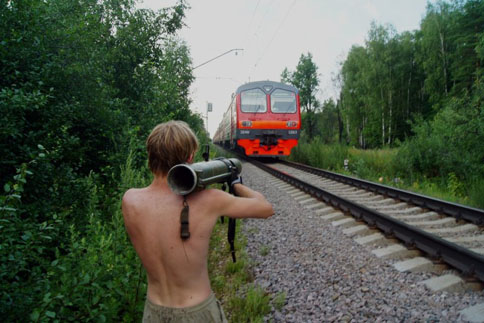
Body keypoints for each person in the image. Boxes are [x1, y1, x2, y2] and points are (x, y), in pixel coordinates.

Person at [122, 120, 274, 322]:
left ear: (150, 156)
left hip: (153, 312)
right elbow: (266, 208)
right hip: (197, 312)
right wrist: (235, 183)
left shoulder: (130, 200)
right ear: (190, 157)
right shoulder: (209, 200)